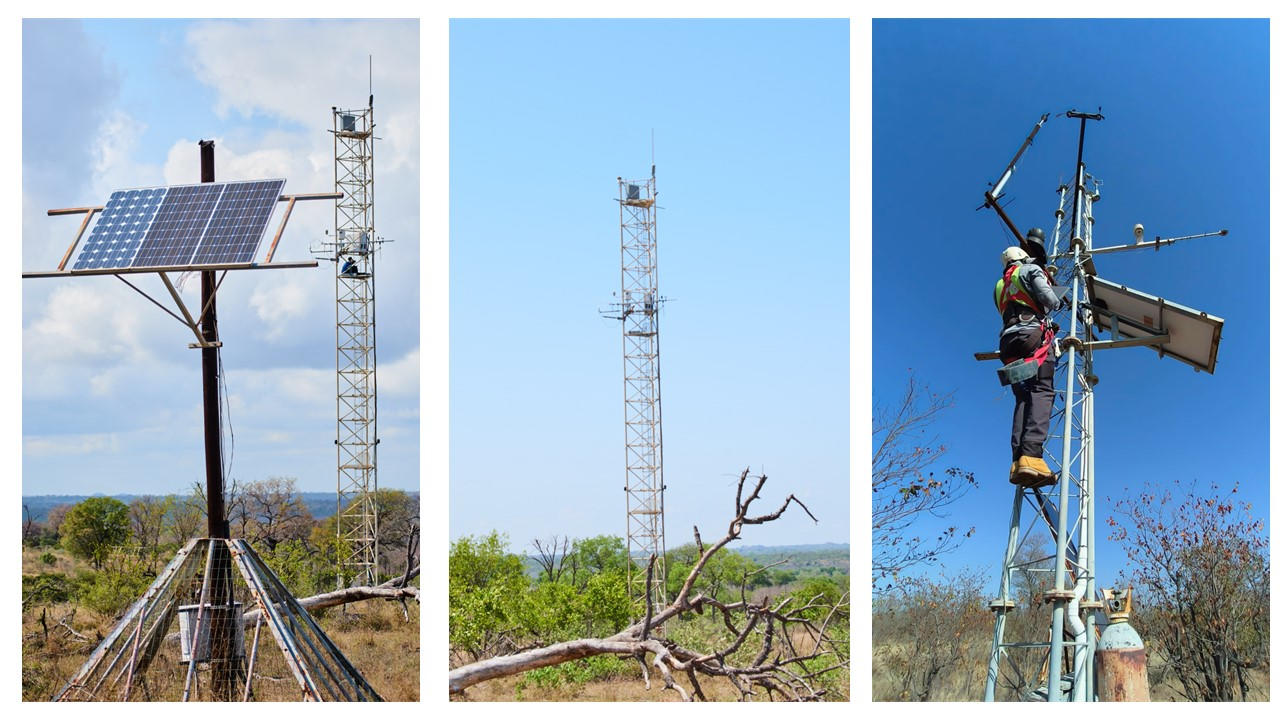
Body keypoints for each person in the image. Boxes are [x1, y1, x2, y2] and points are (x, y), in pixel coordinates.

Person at [994, 230, 1062, 488]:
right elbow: (1049, 300)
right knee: (1042, 390)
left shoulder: (999, 285)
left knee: (1023, 397)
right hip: (1031, 335)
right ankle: (1032, 456)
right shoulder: (1031, 270)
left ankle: (1018, 460)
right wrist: (1056, 298)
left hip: (1007, 343)